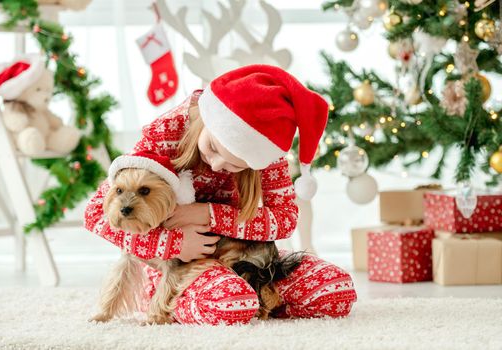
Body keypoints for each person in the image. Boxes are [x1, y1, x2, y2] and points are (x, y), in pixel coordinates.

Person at [84, 65, 357, 325]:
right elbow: (96, 214)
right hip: (176, 264)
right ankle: (159, 293)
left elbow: (284, 219)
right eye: (212, 147)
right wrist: (174, 244)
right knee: (233, 304)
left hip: (241, 256)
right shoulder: (164, 134)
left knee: (336, 290)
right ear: (208, 121)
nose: (215, 165)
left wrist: (208, 215)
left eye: (234, 165)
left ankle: (257, 292)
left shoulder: (268, 148)